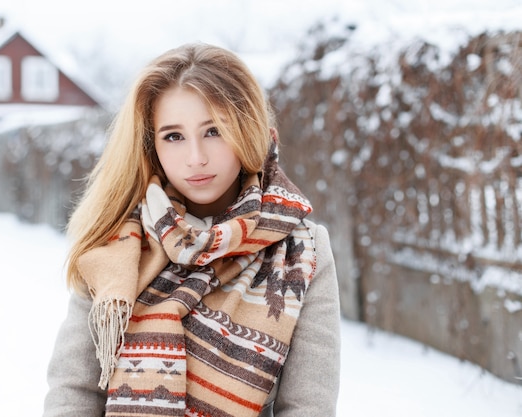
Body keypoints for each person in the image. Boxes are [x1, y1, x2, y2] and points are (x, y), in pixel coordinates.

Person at [43, 43, 341, 417]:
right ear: (152, 146)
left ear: (247, 129)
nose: (196, 157)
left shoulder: (303, 252)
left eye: (214, 131)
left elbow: (308, 407)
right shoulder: (117, 245)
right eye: (173, 136)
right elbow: (74, 393)